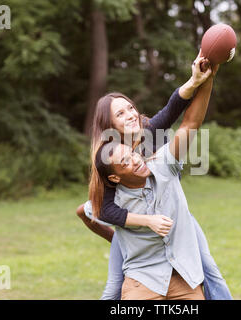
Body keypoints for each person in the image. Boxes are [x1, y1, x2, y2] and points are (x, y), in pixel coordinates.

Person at [76, 52, 232, 299]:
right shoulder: (107, 160)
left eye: (130, 108)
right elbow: (99, 211)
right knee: (113, 289)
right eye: (120, 114)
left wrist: (196, 81)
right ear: (109, 126)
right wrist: (130, 231)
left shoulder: (149, 131)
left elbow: (175, 110)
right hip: (130, 220)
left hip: (175, 218)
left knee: (209, 269)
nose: (130, 115)